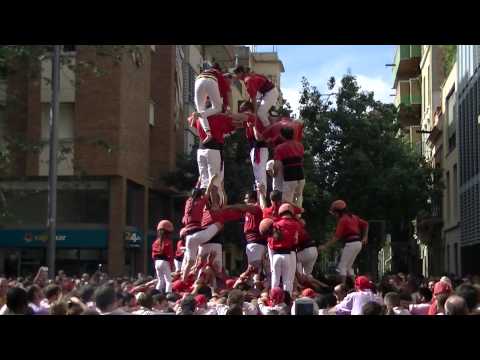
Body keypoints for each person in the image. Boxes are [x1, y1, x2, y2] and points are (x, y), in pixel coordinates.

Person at [319, 200, 369, 285]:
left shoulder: (342, 220)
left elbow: (336, 237)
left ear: (338, 212)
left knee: (342, 266)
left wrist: (324, 246)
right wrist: (365, 237)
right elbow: (366, 224)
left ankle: (342, 287)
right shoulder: (353, 217)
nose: (334, 215)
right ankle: (356, 286)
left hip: (351, 244)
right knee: (348, 267)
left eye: (334, 213)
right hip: (358, 244)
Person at [260, 203, 301, 295]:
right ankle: (286, 302)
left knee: (275, 281)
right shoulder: (295, 224)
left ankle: (273, 300)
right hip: (288, 255)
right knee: (287, 281)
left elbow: (269, 243)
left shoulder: (275, 224)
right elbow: (295, 241)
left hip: (275, 256)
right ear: (291, 212)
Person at [193, 64, 232, 141]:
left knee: (200, 110)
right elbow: (225, 93)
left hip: (198, 80)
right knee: (217, 108)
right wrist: (228, 108)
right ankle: (200, 114)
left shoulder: (204, 71)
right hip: (211, 80)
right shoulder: (219, 74)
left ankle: (208, 134)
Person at [239, 101, 269, 192]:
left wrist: (253, 126)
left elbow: (259, 138)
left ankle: (262, 198)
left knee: (260, 174)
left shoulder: (256, 120)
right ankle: (259, 198)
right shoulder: (248, 122)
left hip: (260, 149)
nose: (244, 114)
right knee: (257, 175)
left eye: (245, 111)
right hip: (254, 149)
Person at [273, 127, 305, 207]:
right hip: (301, 175)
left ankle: (289, 218)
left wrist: (274, 174)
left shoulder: (279, 148)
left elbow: (277, 165)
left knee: (286, 201)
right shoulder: (300, 145)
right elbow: (301, 160)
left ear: (282, 136)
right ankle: (298, 216)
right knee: (298, 197)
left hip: (290, 176)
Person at [243, 191, 268, 276]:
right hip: (253, 243)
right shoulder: (248, 211)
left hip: (256, 244)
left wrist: (261, 192)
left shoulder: (256, 208)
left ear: (253, 200)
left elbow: (263, 207)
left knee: (254, 272)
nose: (244, 200)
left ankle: (255, 288)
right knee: (258, 272)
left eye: (246, 198)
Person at [152, 220, 174, 293]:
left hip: (157, 262)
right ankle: (168, 296)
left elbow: (153, 255)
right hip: (164, 261)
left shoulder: (155, 242)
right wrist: (171, 266)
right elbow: (170, 255)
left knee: (160, 280)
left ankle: (156, 295)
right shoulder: (168, 242)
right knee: (168, 281)